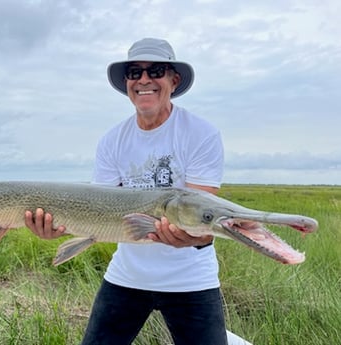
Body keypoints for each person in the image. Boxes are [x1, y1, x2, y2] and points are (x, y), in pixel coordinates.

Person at [25, 38, 228, 345]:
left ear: (173, 80)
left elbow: (200, 217)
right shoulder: (112, 140)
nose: (144, 79)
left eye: (155, 70)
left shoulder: (201, 133)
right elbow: (99, 210)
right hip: (127, 275)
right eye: (135, 72)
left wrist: (199, 236)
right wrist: (59, 227)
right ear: (127, 83)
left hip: (191, 279)